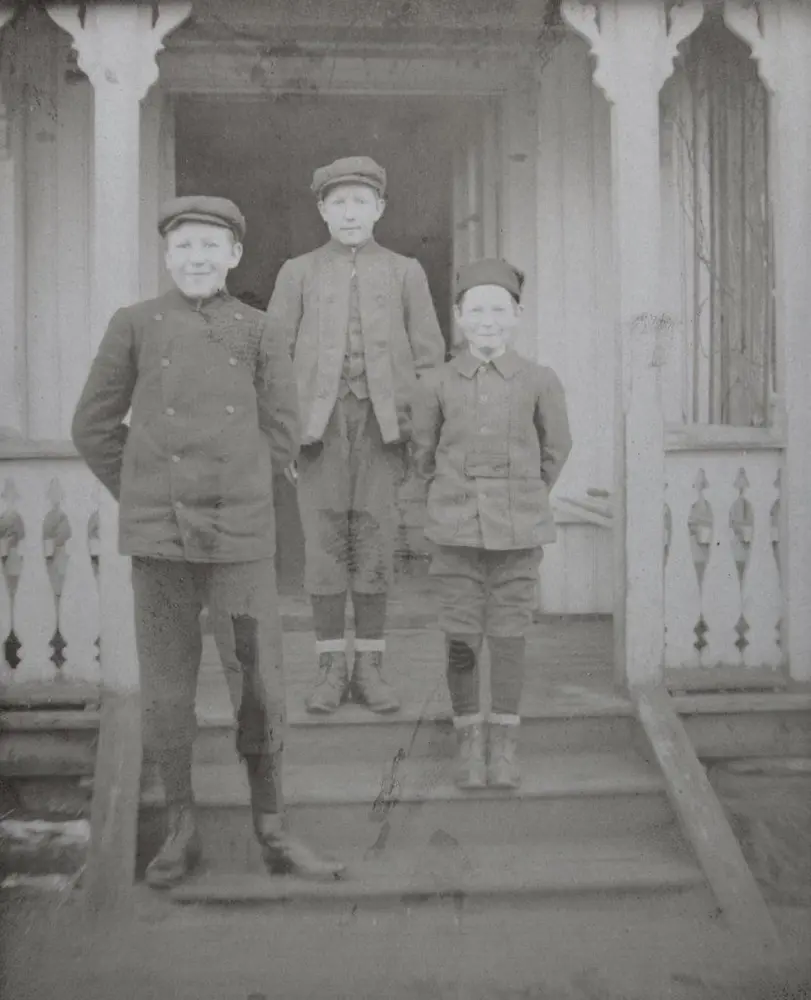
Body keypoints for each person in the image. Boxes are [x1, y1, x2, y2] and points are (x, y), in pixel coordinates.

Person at [72, 195, 345, 887]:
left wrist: (236, 487)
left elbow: (281, 431)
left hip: (240, 542)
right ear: (167, 256)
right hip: (160, 544)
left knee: (260, 687)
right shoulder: (133, 324)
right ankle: (180, 829)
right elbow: (93, 427)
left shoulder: (259, 331)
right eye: (183, 246)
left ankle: (273, 826)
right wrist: (144, 492)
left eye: (210, 246)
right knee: (166, 692)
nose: (196, 258)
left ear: (233, 256)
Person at [266, 156, 445, 715]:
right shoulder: (297, 271)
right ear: (322, 208)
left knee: (371, 548)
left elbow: (429, 359)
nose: (349, 213)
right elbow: (271, 358)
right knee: (323, 551)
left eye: (360, 202)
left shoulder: (404, 270)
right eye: (338, 202)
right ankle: (328, 669)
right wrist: (284, 436)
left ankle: (369, 667)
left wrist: (419, 439)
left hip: (381, 431)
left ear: (380, 208)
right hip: (316, 433)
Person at [411, 258, 572, 790]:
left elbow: (555, 449)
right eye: (475, 309)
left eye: (498, 309)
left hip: (518, 536)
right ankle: (468, 743)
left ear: (517, 314)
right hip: (454, 535)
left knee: (508, 636)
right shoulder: (436, 382)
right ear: (458, 316)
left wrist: (521, 496)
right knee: (461, 635)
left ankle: (503, 745)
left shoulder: (539, 380)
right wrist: (457, 498)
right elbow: (424, 453)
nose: (487, 320)